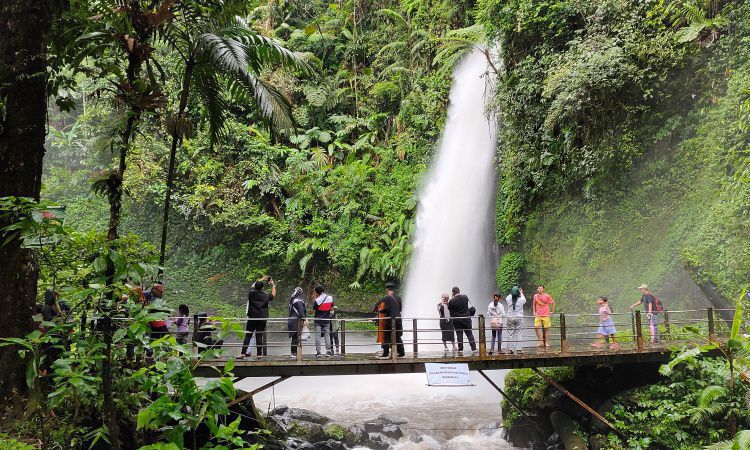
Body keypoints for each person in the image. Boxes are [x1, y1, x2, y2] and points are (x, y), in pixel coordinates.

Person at [241, 276, 276, 358]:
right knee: (259, 335)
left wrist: (261, 279)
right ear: (263, 287)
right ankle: (259, 354)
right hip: (262, 318)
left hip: (252, 317)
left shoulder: (251, 293)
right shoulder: (266, 295)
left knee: (248, 335)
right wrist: (273, 285)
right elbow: (273, 295)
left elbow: (253, 286)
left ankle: (243, 353)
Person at [376, 282, 405, 358]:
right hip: (398, 320)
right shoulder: (398, 298)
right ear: (393, 289)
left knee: (387, 337)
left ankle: (385, 353)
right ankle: (401, 352)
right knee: (398, 336)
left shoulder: (387, 298)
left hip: (390, 321)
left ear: (387, 289)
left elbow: (387, 309)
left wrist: (380, 311)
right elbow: (400, 309)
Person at [448, 286, 477, 355]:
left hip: (457, 320)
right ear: (459, 291)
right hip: (466, 319)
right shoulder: (465, 297)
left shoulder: (451, 301)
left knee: (459, 335)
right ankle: (474, 349)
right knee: (469, 334)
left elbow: (450, 311)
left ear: (453, 292)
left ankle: (460, 349)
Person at [312, 285, 335, 357]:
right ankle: (328, 351)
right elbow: (331, 307)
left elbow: (313, 311)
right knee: (327, 336)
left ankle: (318, 352)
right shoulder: (330, 298)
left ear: (317, 292)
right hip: (326, 320)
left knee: (318, 336)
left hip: (318, 321)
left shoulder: (317, 300)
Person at [505, 286, 526, 354]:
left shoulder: (508, 298)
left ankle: (510, 349)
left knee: (510, 333)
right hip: (519, 317)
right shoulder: (521, 299)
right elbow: (524, 300)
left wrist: (513, 291)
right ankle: (519, 349)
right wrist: (521, 292)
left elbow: (510, 295)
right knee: (519, 332)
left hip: (510, 317)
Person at [287, 287, 306, 358]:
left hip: (292, 320)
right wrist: (305, 319)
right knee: (296, 337)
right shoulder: (298, 301)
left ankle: (295, 352)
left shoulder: (292, 300)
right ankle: (294, 353)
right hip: (296, 321)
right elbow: (301, 311)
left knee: (295, 337)